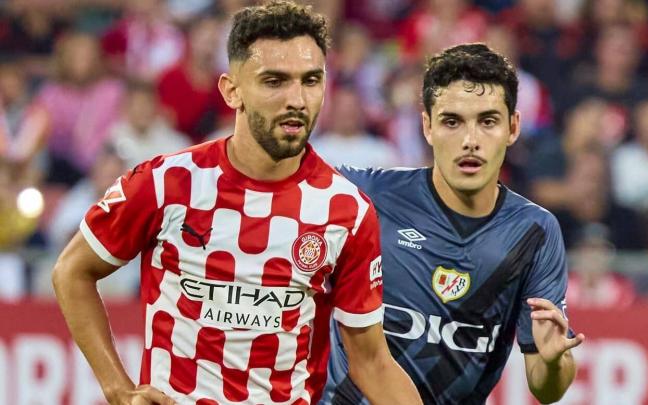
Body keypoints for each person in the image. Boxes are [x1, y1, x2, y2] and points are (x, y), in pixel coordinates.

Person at [51, 2, 421, 405]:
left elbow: (371, 362)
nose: (296, 99)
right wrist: (118, 390)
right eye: (274, 81)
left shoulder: (346, 210)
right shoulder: (167, 182)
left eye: (311, 80)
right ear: (231, 90)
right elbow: (72, 270)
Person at [322, 43, 585, 404]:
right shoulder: (367, 195)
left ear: (513, 128)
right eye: (452, 121)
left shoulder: (534, 233)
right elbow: (281, 174)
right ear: (427, 127)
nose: (470, 141)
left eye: (488, 121)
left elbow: (546, 387)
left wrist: (554, 363)